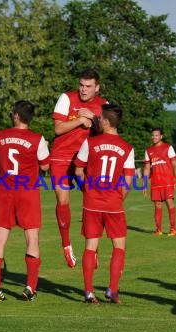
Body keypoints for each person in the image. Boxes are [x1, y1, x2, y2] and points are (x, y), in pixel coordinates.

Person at [0, 100, 50, 302]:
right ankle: (30, 287)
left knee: (0, 239)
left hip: (5, 190)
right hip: (28, 192)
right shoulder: (37, 139)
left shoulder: (0, 136)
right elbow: (46, 166)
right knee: (32, 239)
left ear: (15, 115)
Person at [74, 103, 135, 304]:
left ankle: (89, 292)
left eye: (100, 118)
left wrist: (86, 190)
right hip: (113, 204)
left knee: (91, 245)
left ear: (107, 122)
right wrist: (118, 197)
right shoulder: (127, 148)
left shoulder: (90, 142)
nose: (97, 120)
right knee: (119, 246)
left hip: (91, 202)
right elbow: (127, 182)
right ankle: (112, 289)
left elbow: (78, 171)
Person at [51, 68, 108, 268]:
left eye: (88, 86)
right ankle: (66, 244)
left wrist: (92, 117)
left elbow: (106, 131)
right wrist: (80, 121)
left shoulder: (103, 105)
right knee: (62, 199)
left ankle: (93, 250)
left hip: (87, 160)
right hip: (61, 157)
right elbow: (58, 128)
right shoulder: (67, 98)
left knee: (91, 202)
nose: (83, 90)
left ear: (97, 87)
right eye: (81, 85)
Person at [142, 128, 176, 236]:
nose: (154, 137)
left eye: (156, 135)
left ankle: (173, 229)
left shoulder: (168, 147)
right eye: (153, 135)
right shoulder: (148, 150)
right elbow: (147, 168)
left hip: (167, 181)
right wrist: (144, 184)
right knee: (157, 205)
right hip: (155, 183)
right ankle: (158, 230)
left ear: (161, 136)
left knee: (169, 202)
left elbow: (175, 165)